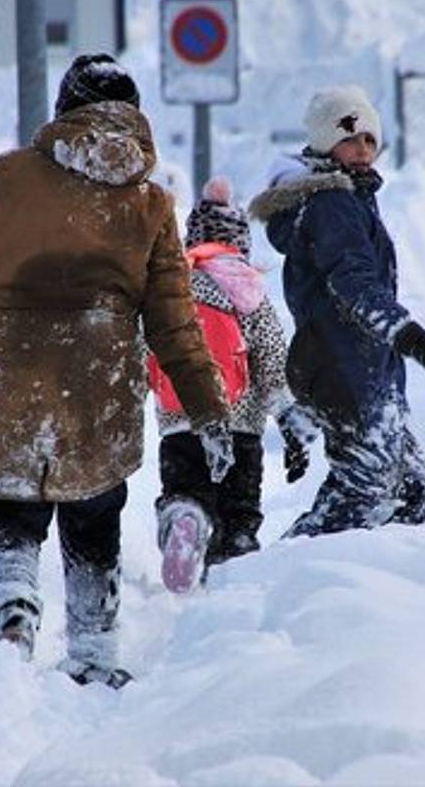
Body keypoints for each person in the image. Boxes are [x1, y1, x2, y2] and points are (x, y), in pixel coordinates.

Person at [0, 53, 232, 687]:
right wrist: (208, 410)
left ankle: (13, 604)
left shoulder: (4, 178)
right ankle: (93, 651)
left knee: (10, 506)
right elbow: (175, 322)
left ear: (64, 111)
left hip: (8, 368)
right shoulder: (149, 204)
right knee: (95, 512)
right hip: (99, 379)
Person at [248, 84, 425, 538]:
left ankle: (390, 586)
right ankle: (284, 573)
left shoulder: (350, 199)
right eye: (349, 138)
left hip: (366, 366)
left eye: (370, 138)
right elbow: (355, 286)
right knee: (364, 488)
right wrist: (417, 342)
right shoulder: (332, 204)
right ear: (326, 144)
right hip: (342, 367)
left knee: (413, 489)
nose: (363, 149)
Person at [148, 176, 318, 593]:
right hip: (241, 429)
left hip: (180, 422)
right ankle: (232, 584)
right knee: (239, 513)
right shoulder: (249, 290)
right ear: (241, 241)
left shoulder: (172, 286)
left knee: (185, 490)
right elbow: (273, 362)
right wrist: (286, 415)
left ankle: (185, 517)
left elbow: (144, 351)